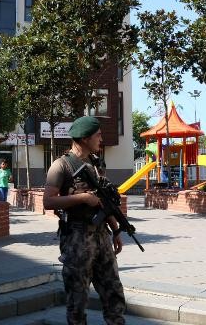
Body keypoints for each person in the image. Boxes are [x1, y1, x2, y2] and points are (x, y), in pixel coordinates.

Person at [44, 116, 126, 324]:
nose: (101, 139)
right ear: (84, 138)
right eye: (98, 135)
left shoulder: (96, 164)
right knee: (77, 297)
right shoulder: (61, 166)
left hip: (102, 235)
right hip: (77, 238)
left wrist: (115, 230)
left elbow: (104, 201)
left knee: (114, 291)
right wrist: (82, 198)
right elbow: (48, 201)